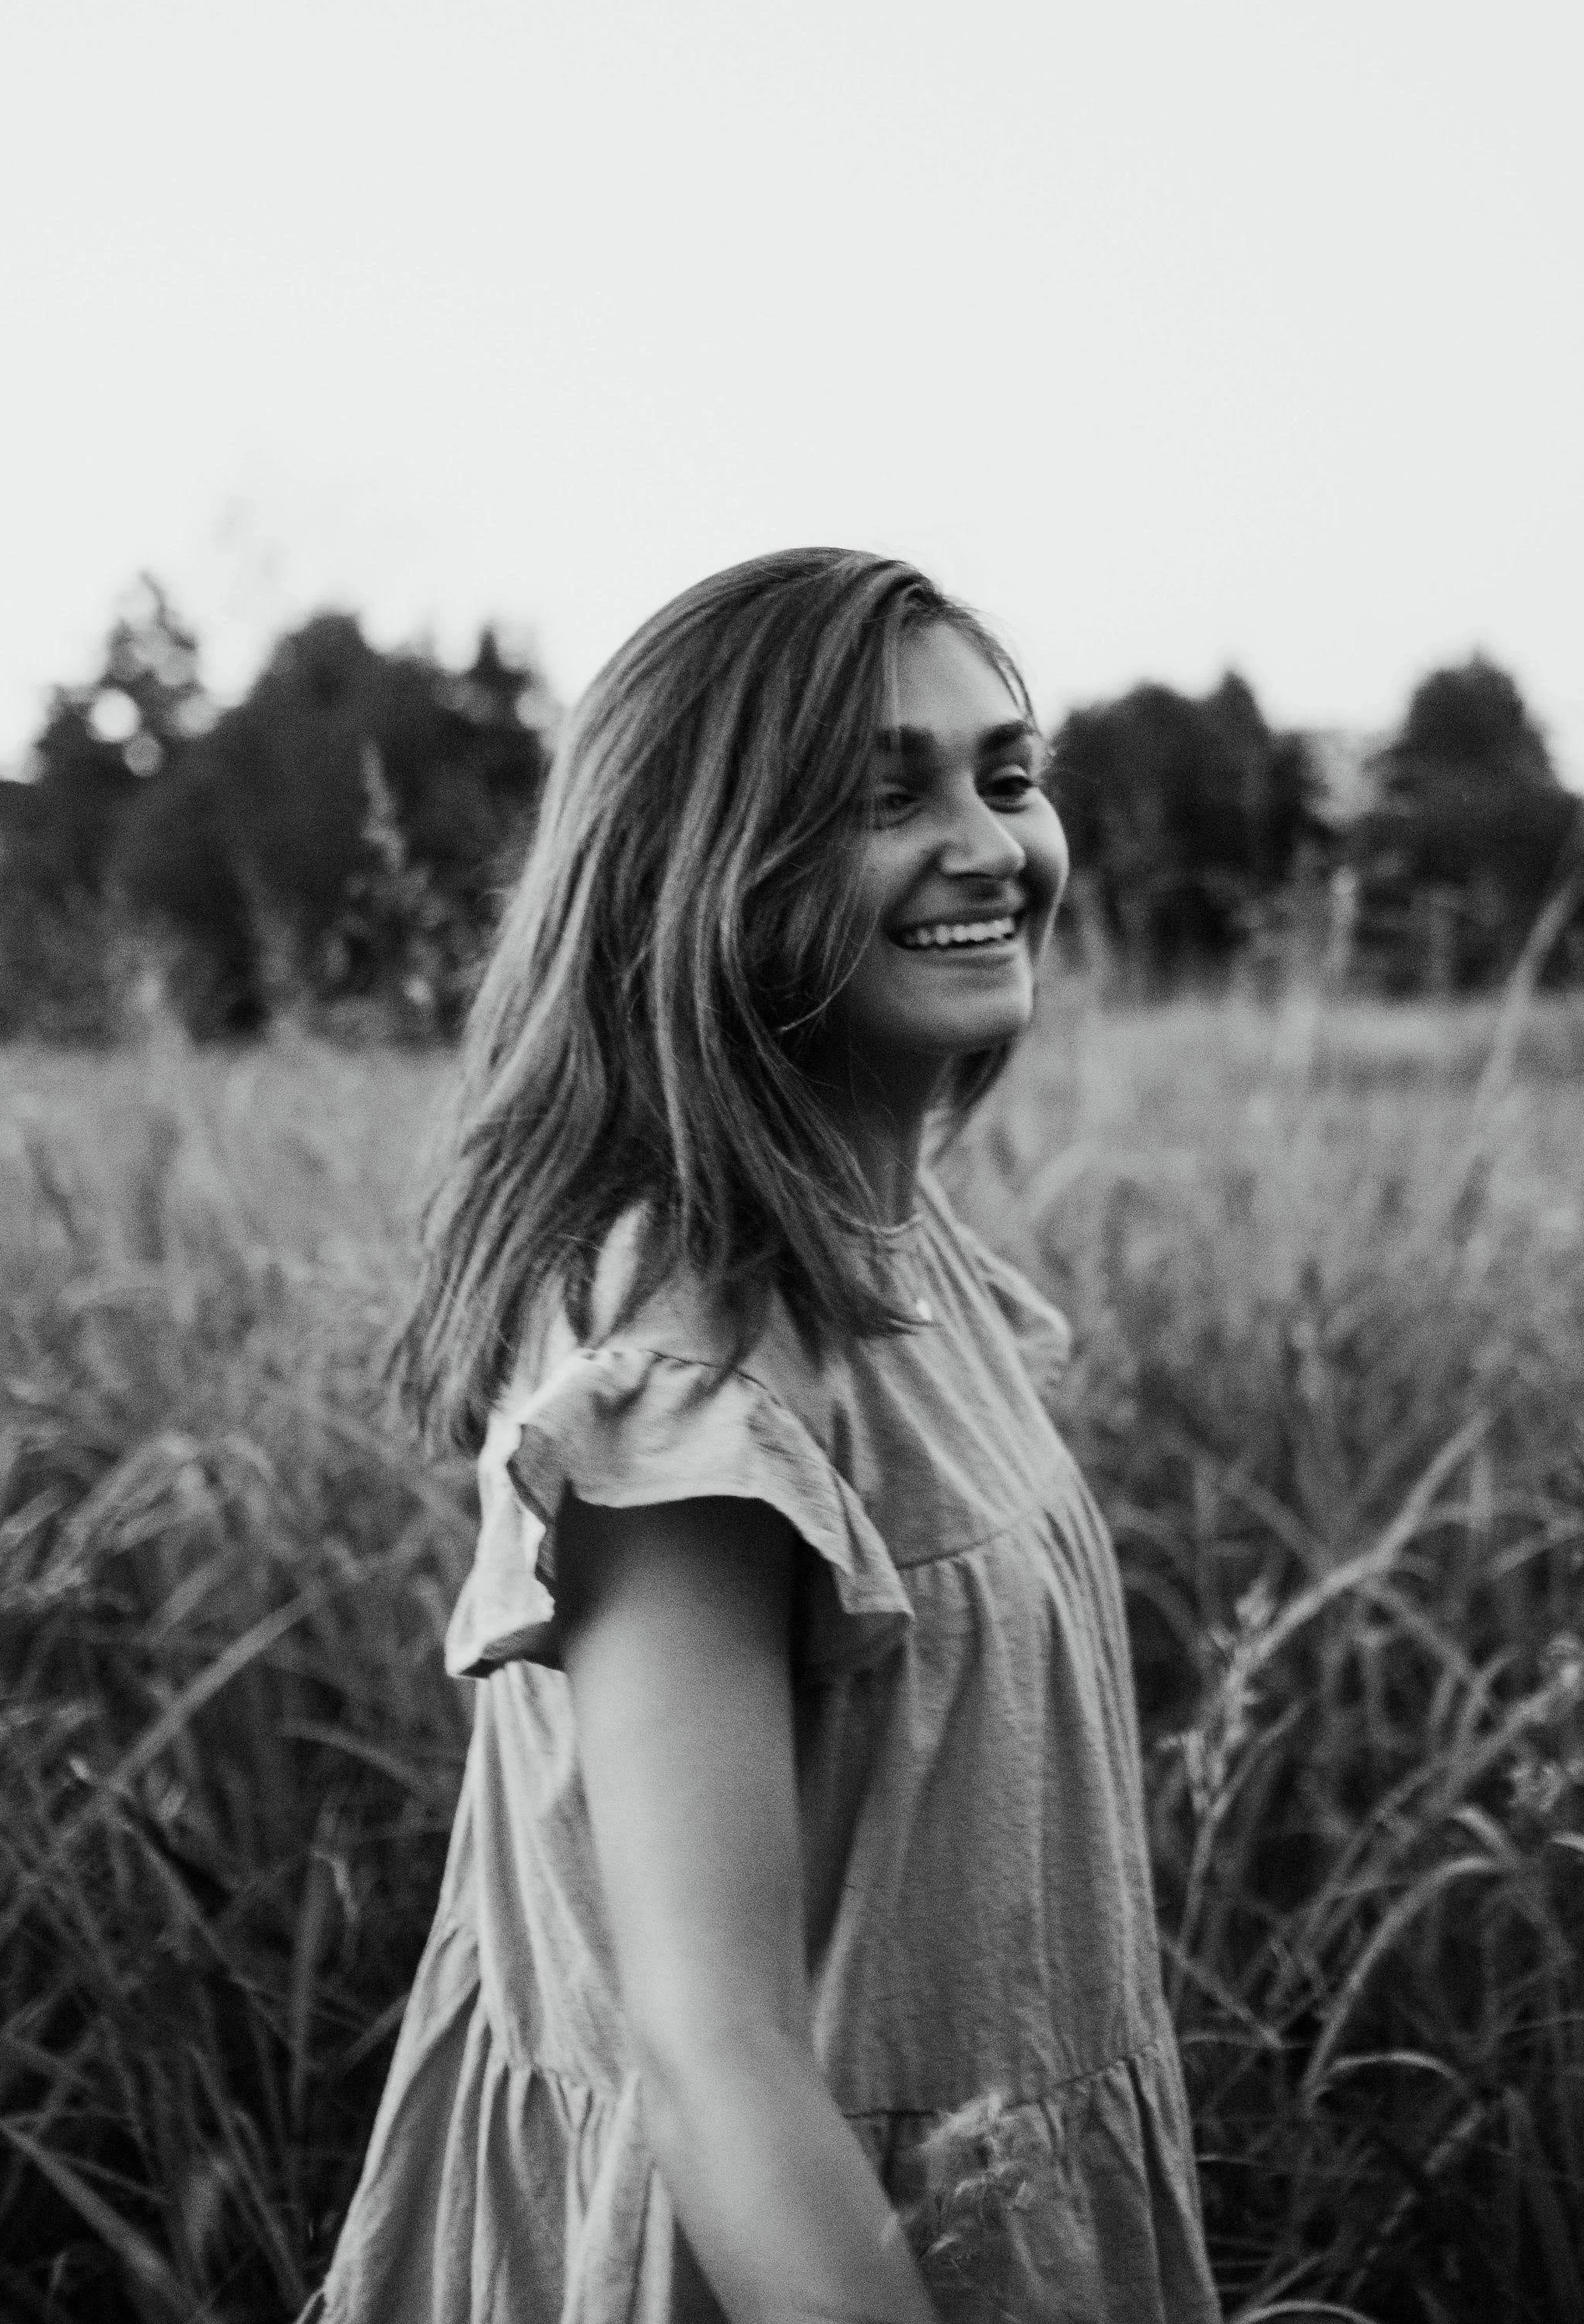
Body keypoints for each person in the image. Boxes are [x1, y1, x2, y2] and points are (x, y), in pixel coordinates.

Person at [303, 549, 1221, 2324]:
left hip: (978, 2187)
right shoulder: (694, 1363)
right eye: (886, 798)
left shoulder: (889, 1241)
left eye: (1007, 777)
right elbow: (712, 2048)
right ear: (704, 875)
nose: (988, 844)